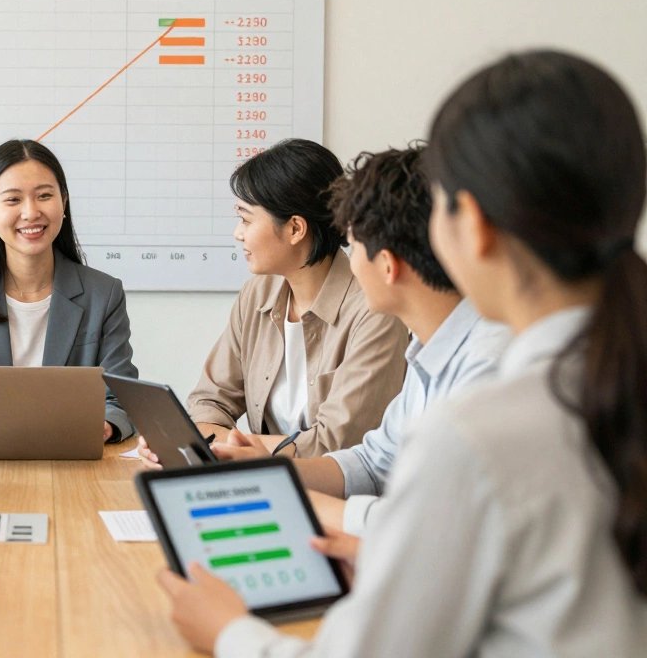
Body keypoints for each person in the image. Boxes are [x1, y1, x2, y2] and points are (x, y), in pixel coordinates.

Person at [158, 50, 647, 656]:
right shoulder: (588, 376)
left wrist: (229, 630)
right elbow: (381, 460)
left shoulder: (477, 429)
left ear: (470, 222)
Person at [147, 144, 511, 535]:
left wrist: (262, 482)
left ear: (388, 265)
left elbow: (434, 526)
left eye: (354, 246)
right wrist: (252, 468)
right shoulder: (430, 352)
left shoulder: (487, 368)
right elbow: (372, 462)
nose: (348, 260)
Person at [184, 139, 409, 458]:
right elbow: (208, 404)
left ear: (295, 229)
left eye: (246, 219)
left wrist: (233, 448)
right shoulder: (257, 294)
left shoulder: (375, 311)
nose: (238, 233)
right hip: (263, 481)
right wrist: (204, 444)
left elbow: (337, 445)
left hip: (339, 496)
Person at [0, 139, 138, 442]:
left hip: (73, 461)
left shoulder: (104, 294)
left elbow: (123, 401)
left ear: (64, 202)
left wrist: (103, 427)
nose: (31, 213)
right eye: (13, 200)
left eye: (45, 195)